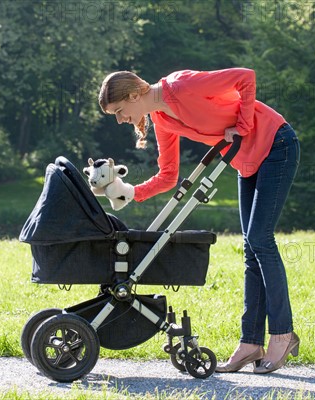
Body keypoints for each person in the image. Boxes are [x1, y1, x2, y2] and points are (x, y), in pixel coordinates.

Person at [98, 68, 300, 374]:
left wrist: (243, 126)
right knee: (250, 249)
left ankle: (283, 334)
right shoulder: (162, 119)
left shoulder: (182, 85)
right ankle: (251, 343)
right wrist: (131, 193)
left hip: (276, 144)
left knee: (260, 240)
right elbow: (168, 177)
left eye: (119, 111)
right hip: (248, 161)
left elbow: (246, 77)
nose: (120, 119)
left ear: (134, 95)